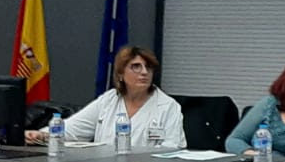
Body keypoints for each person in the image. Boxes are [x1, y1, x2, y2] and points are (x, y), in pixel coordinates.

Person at [25, 45, 185, 149]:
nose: (144, 72)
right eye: (136, 67)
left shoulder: (168, 106)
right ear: (121, 74)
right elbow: (72, 128)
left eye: (148, 68)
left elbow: (172, 148)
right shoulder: (109, 100)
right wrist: (42, 135)